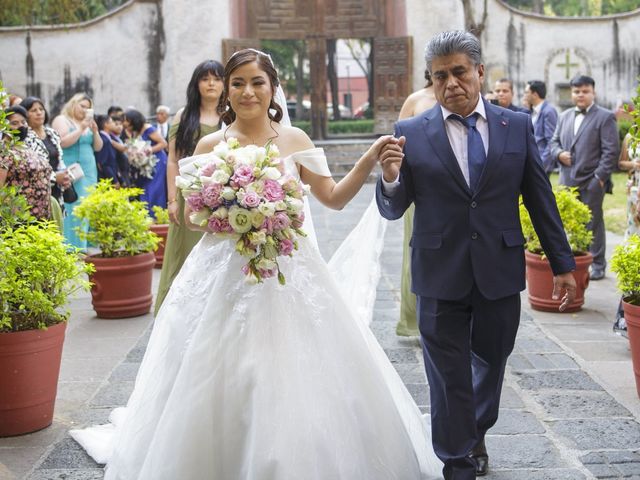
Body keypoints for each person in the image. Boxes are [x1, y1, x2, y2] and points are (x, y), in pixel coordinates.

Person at [70, 48, 443, 480]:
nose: (248, 92)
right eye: (238, 83)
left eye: (257, 82)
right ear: (227, 92)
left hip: (289, 267)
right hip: (224, 269)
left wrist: (369, 161)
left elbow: (335, 199)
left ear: (272, 87)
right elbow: (193, 216)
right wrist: (222, 208)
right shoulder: (212, 144)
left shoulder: (296, 140)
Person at [376, 31, 577, 479]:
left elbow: (540, 200)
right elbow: (392, 208)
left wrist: (563, 265)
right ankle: (458, 458)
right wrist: (390, 177)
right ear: (431, 81)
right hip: (438, 273)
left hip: (499, 271)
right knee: (447, 376)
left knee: (493, 358)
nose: (451, 83)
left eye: (460, 72)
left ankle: (474, 429)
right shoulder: (411, 132)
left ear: (480, 72)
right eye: (439, 76)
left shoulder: (517, 126)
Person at [154, 59, 225, 315]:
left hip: (222, 197)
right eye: (205, 79)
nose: (211, 84)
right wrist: (172, 199)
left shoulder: (231, 115)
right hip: (189, 195)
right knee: (183, 253)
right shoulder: (184, 116)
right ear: (197, 84)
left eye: (217, 78)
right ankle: (177, 311)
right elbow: (173, 159)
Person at [549, 74, 620, 281]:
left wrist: (599, 178)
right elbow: (553, 143)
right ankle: (575, 261)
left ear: (593, 92)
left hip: (592, 181)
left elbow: (611, 152)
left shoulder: (605, 116)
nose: (580, 95)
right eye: (576, 91)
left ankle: (598, 264)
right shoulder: (564, 116)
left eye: (585, 91)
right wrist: (559, 154)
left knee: (594, 223)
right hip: (567, 181)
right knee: (569, 223)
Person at [396, 70, 438, 337]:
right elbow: (398, 144)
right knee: (417, 255)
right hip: (420, 189)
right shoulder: (415, 100)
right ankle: (418, 320)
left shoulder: (465, 98)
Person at [52, 93, 103, 250]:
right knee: (73, 203)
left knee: (88, 204)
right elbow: (62, 142)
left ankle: (85, 243)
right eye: (82, 106)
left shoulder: (88, 123)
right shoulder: (62, 119)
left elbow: (98, 147)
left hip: (89, 169)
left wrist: (94, 132)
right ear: (73, 104)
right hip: (71, 168)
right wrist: (81, 128)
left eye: (88, 107)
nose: (85, 110)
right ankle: (71, 245)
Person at [0, 105, 53, 220]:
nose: (21, 126)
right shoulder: (4, 150)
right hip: (19, 219)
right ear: (4, 127)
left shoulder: (26, 147)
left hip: (42, 217)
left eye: (23, 122)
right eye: (14, 123)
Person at [21, 96, 71, 214]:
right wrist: (54, 178)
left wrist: (65, 176)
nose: (39, 113)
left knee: (58, 226)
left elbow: (59, 160)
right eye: (33, 110)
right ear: (25, 115)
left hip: (57, 192)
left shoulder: (52, 133)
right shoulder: (24, 138)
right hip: (36, 193)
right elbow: (29, 170)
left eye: (41, 109)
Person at [613, 132, 640, 335]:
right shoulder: (632, 135)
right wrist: (634, 166)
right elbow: (621, 163)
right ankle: (626, 318)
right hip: (634, 197)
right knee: (632, 248)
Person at [123, 108, 168, 218]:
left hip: (156, 162)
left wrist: (149, 150)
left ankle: (157, 216)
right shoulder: (135, 131)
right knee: (145, 189)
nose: (125, 123)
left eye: (127, 120)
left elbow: (163, 143)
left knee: (155, 189)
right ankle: (148, 216)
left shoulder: (149, 129)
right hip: (143, 165)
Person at [523, 80, 558, 175]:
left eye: (527, 92)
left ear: (534, 94)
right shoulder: (532, 111)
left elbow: (551, 141)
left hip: (540, 165)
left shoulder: (548, 111)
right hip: (531, 163)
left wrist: (541, 166)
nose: (525, 95)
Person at [94, 114, 121, 186]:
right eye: (111, 122)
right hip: (107, 179)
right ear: (106, 124)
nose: (114, 124)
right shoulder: (103, 140)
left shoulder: (109, 138)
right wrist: (114, 180)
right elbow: (104, 164)